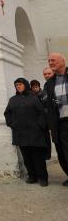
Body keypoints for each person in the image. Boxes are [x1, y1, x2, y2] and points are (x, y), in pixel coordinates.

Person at [4, 78, 48, 186]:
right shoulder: (13, 100)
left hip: (35, 133)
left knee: (38, 157)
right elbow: (7, 113)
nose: (18, 86)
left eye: (20, 84)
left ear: (25, 85)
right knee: (27, 157)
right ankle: (32, 176)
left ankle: (42, 178)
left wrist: (39, 126)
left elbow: (41, 113)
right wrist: (12, 124)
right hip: (20, 133)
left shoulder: (34, 98)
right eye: (16, 85)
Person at [43, 52, 68, 186]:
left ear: (63, 61)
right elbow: (46, 103)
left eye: (53, 60)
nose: (51, 63)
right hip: (60, 123)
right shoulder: (49, 83)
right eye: (49, 61)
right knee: (63, 152)